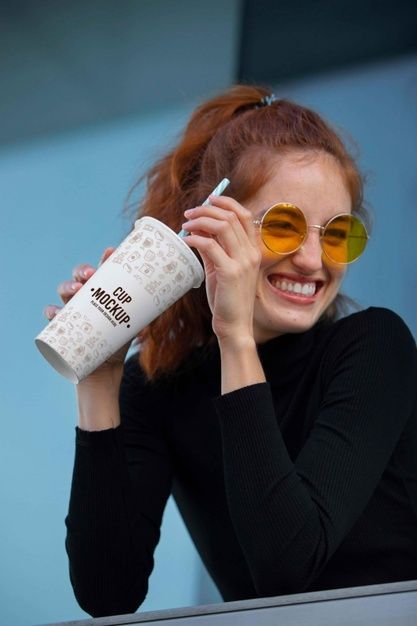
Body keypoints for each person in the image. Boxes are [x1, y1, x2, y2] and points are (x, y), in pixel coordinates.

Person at [44, 85, 417, 618]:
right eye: (285, 227)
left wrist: (236, 335)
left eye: (339, 235)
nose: (314, 261)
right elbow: (107, 595)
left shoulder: (374, 348)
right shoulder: (159, 390)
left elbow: (289, 565)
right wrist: (99, 381)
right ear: (211, 227)